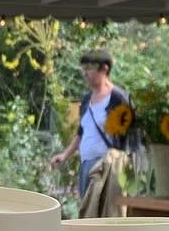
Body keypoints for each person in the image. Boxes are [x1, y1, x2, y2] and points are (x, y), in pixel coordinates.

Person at [50, 47, 133, 199]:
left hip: (108, 167)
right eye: (83, 68)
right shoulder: (87, 99)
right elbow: (82, 132)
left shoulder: (118, 98)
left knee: (105, 215)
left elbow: (131, 135)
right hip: (86, 164)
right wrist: (65, 155)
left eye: (89, 68)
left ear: (104, 69)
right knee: (87, 214)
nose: (85, 73)